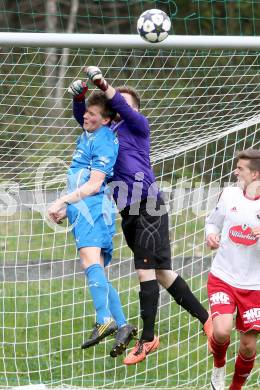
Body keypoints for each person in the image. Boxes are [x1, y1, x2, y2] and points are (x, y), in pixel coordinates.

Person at [68, 67, 212, 365]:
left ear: (133, 110)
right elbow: (88, 118)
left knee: (144, 270)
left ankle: (147, 339)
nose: (118, 107)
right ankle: (206, 318)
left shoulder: (138, 127)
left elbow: (117, 106)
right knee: (162, 272)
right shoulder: (108, 134)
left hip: (147, 203)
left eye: (124, 104)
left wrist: (104, 84)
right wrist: (79, 98)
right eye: (115, 104)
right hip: (129, 211)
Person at [48, 90, 137, 358]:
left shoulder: (104, 141)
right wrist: (79, 100)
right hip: (84, 207)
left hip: (93, 208)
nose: (86, 116)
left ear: (107, 119)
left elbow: (95, 184)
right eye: (87, 111)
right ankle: (121, 325)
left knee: (90, 264)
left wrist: (62, 201)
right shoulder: (91, 132)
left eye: (93, 114)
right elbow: (82, 116)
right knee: (95, 268)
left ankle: (104, 319)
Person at [206, 149, 260, 390]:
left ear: (256, 174)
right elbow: (212, 222)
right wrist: (211, 235)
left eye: (241, 169)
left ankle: (235, 388)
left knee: (248, 345)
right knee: (221, 331)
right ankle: (219, 366)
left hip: (255, 285)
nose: (235, 172)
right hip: (223, 276)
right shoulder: (228, 194)